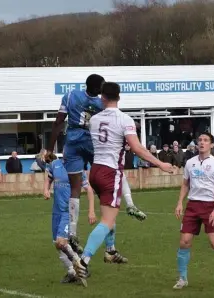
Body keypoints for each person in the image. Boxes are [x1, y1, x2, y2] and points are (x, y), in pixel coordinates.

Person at [74, 82, 174, 280]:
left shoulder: (94, 119)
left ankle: (110, 251)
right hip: (111, 172)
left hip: (95, 170)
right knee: (107, 220)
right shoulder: (124, 119)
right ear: (119, 97)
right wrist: (160, 163)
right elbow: (136, 148)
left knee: (109, 214)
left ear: (102, 97)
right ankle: (83, 260)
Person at [44, 74, 105, 253]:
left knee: (75, 188)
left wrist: (49, 149)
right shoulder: (102, 104)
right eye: (100, 87)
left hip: (72, 144)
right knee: (103, 184)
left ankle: (72, 232)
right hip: (92, 144)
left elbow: (58, 123)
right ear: (96, 88)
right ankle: (110, 242)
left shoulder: (70, 96)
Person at [173, 133, 214, 290]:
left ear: (211, 145)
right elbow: (185, 184)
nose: (202, 143)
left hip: (210, 206)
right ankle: (182, 278)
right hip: (192, 206)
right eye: (200, 140)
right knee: (184, 242)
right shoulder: (190, 163)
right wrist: (180, 202)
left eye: (205, 140)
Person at [43, 154, 95, 286]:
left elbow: (88, 189)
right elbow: (48, 178)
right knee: (57, 243)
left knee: (61, 242)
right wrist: (46, 189)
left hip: (69, 212)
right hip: (56, 211)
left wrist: (91, 210)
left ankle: (81, 266)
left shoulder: (77, 170)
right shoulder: (55, 164)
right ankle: (72, 272)